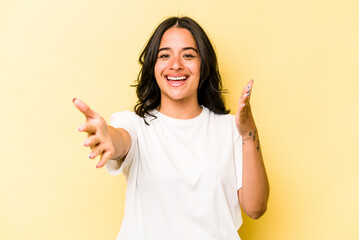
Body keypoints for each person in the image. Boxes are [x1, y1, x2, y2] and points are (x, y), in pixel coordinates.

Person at [73, 16, 269, 240]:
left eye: (188, 55)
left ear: (203, 64)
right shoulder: (135, 125)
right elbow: (120, 139)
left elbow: (256, 208)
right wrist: (107, 136)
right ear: (152, 66)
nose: (176, 64)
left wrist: (248, 134)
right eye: (164, 55)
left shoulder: (230, 129)